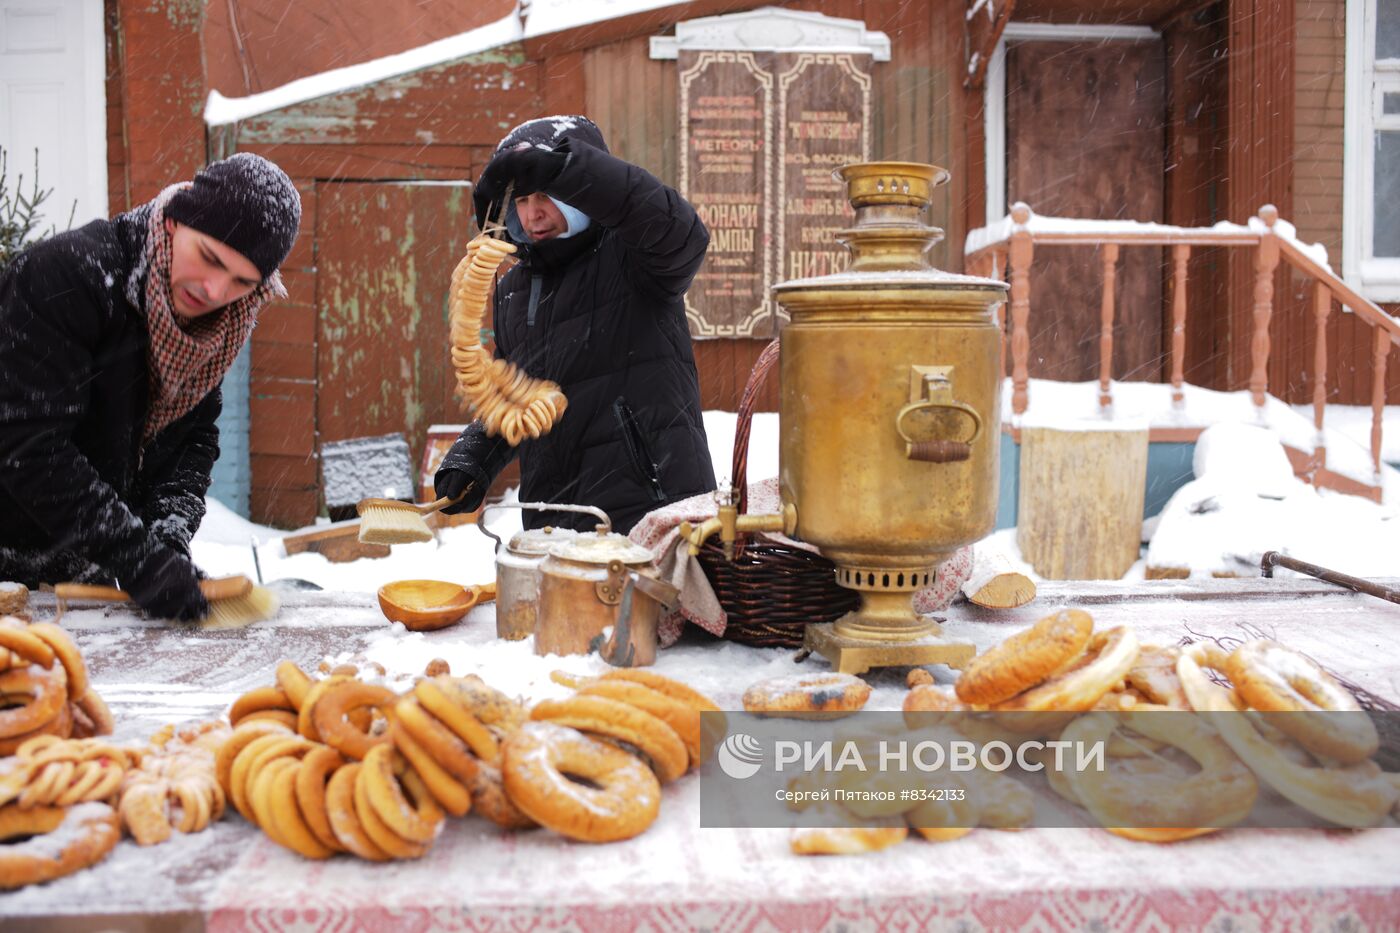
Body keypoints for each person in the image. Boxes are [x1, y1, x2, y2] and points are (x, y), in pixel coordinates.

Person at [0, 153, 301, 620]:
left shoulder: (213, 328)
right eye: (209, 258)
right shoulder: (67, 276)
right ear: (176, 221)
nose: (215, 291)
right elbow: (27, 446)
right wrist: (138, 558)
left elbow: (191, 440)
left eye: (241, 281)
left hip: (80, 572)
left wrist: (167, 539)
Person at [435, 115, 716, 533]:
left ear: (578, 193)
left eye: (545, 195)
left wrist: (569, 169)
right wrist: (475, 456)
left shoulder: (634, 257)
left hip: (652, 517)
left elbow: (683, 235)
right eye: (521, 200)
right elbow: (517, 395)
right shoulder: (513, 289)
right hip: (554, 521)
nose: (533, 214)